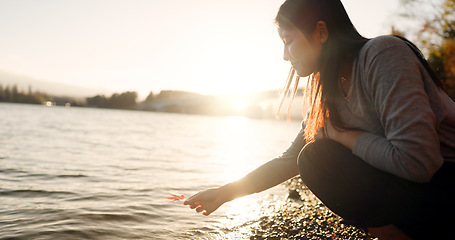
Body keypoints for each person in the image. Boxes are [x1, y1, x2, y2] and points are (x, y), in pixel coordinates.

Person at [184, 0, 455, 239]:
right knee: (313, 158)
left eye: (288, 41)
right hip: (416, 195)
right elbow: (290, 159)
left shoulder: (382, 54)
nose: (284, 56)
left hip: (445, 185)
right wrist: (225, 193)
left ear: (322, 32)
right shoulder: (326, 89)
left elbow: (420, 163)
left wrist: (341, 134)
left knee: (319, 157)